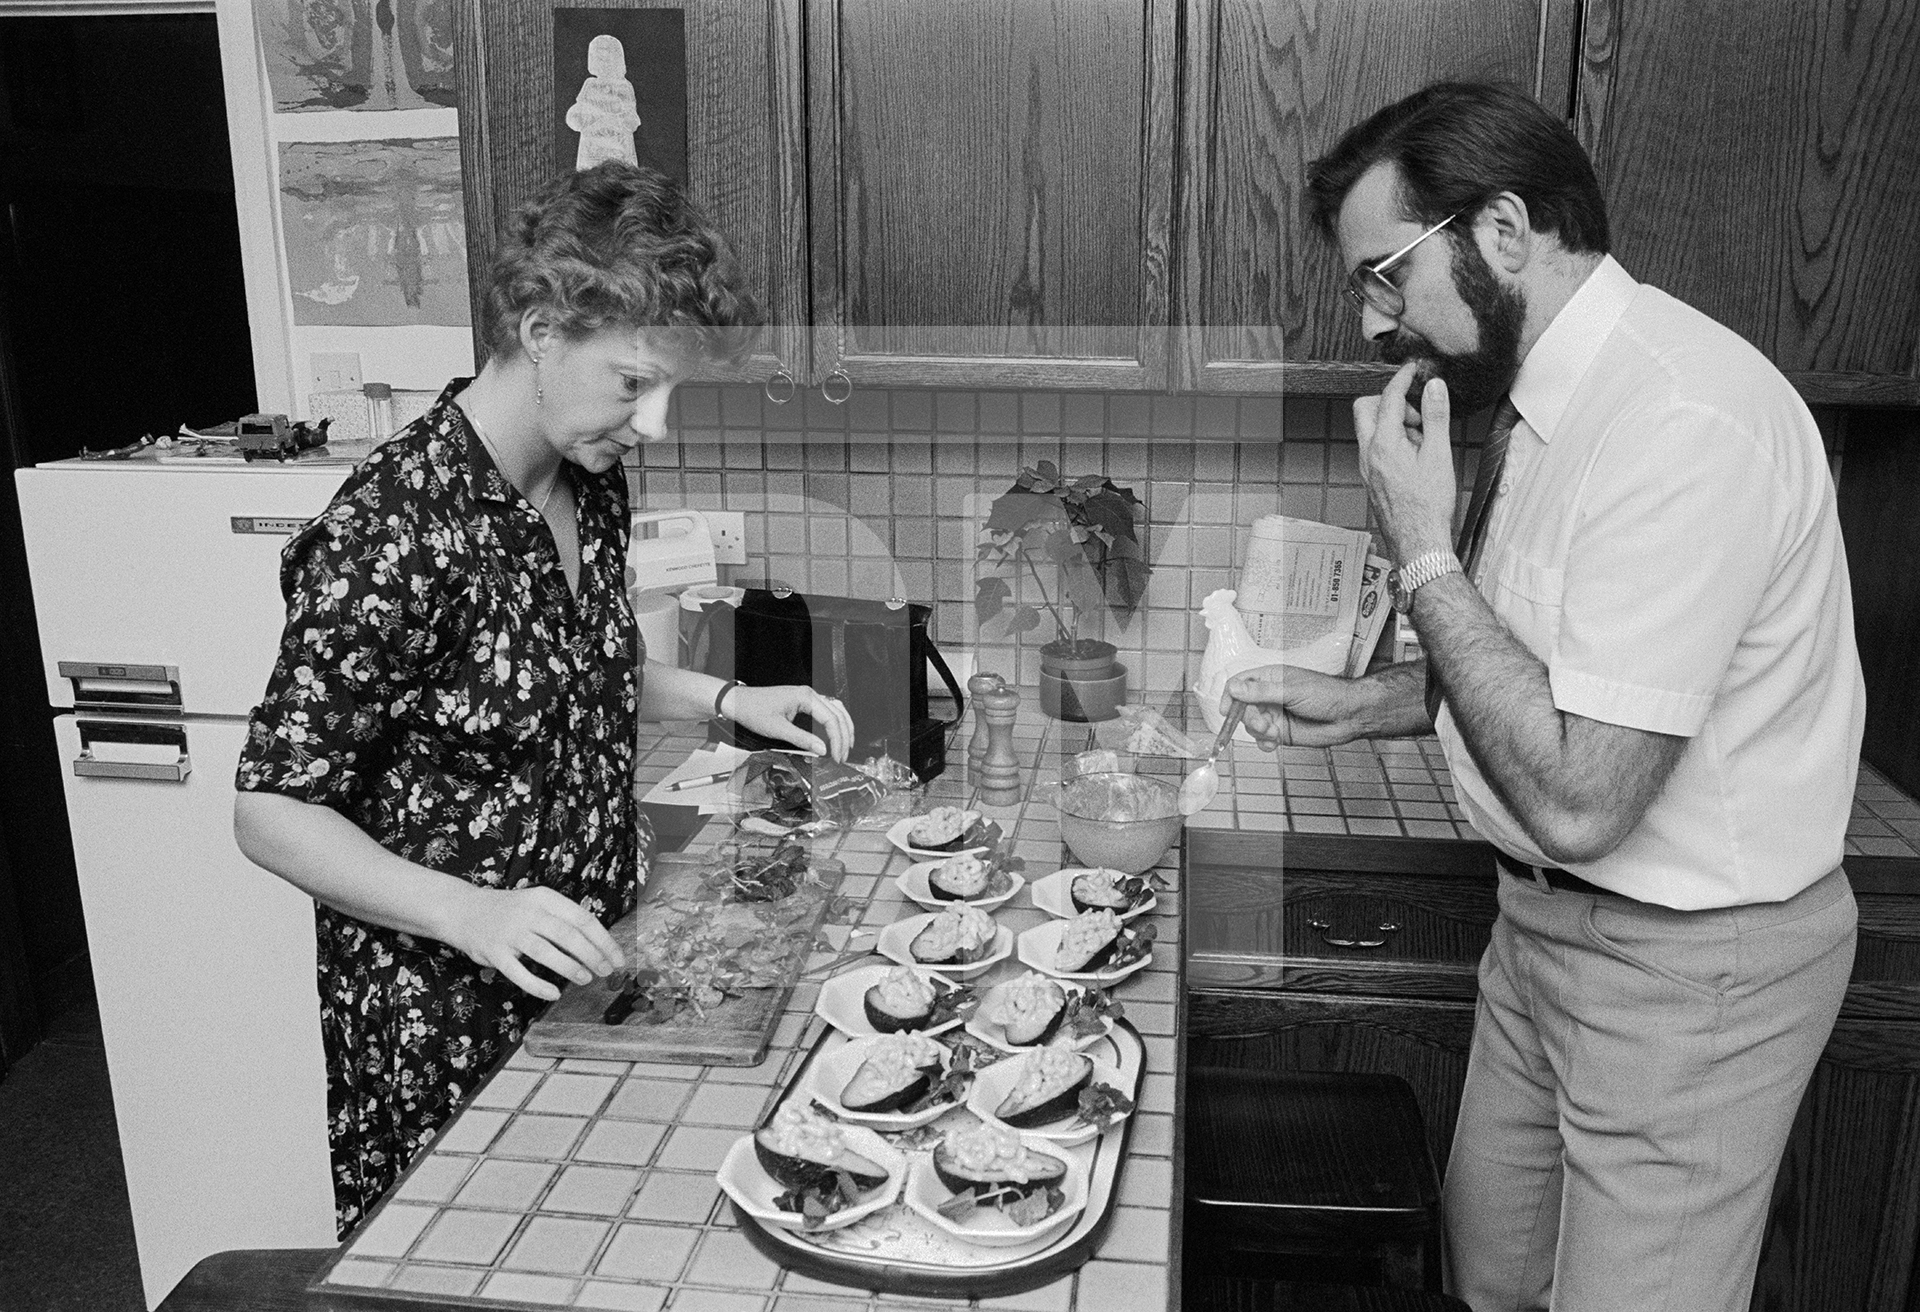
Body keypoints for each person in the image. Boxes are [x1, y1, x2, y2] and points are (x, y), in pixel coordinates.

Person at [1227, 82, 1864, 1311]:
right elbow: (1560, 675)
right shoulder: (1539, 403)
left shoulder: (1683, 420)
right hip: (1540, 931)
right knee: (1494, 1273)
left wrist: (1420, 548)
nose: (1372, 323)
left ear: (1504, 232)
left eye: (1385, 277)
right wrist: (1374, 704)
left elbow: (1584, 797)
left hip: (1690, 967)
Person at [233, 161, 855, 1235]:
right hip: (447, 1019)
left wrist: (728, 698)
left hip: (593, 971)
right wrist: (470, 912)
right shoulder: (397, 527)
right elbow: (270, 807)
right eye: (632, 382)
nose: (654, 422)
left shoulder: (586, 478)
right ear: (540, 329)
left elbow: (569, 666)